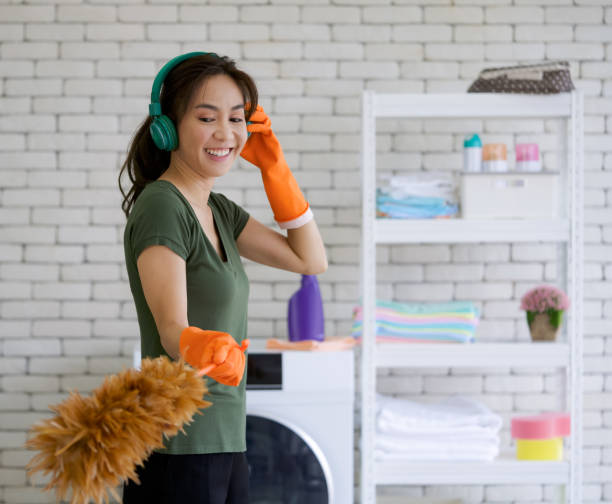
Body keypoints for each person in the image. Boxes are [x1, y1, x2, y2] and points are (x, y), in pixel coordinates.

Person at [119, 52, 327, 504]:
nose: (225, 134)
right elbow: (171, 329)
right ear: (167, 127)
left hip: (225, 435)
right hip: (179, 443)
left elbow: (309, 260)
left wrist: (274, 168)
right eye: (206, 117)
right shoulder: (162, 207)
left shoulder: (219, 210)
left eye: (236, 119)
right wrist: (203, 344)